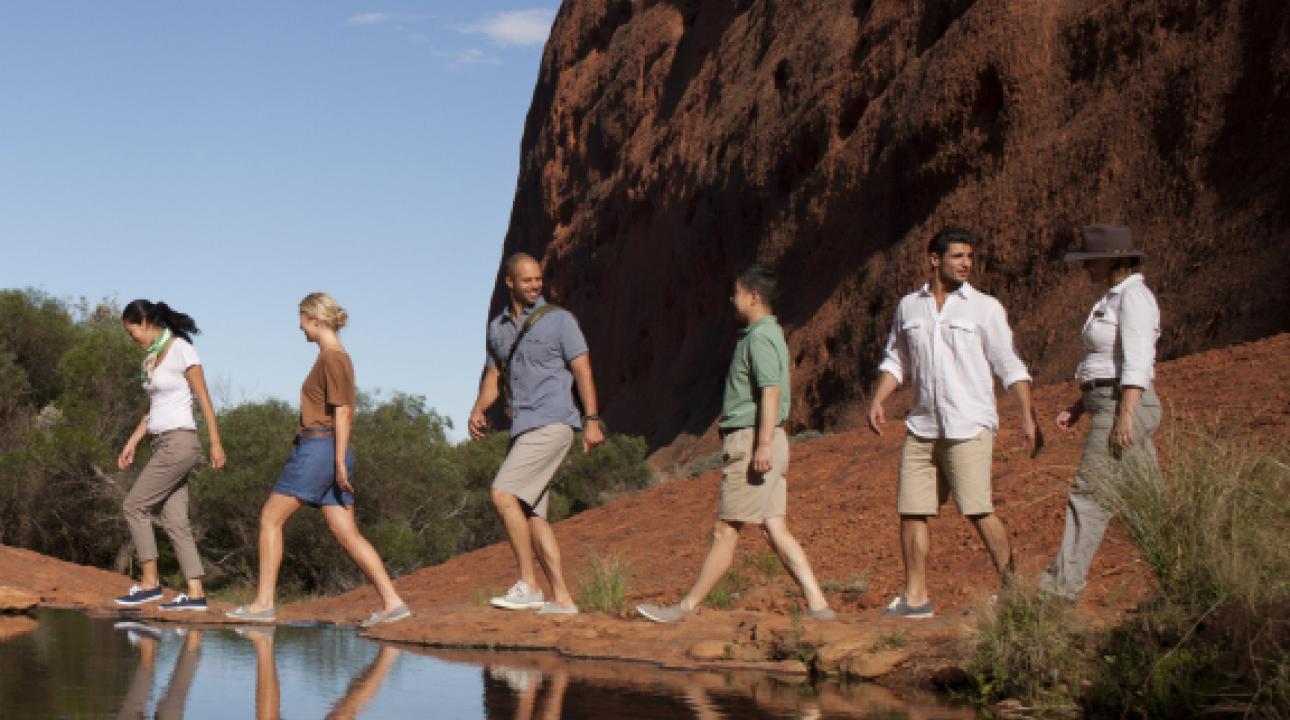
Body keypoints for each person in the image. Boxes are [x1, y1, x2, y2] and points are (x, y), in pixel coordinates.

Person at [636, 265, 835, 623]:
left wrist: (761, 445)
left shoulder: (760, 337)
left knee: (726, 530)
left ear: (753, 297)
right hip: (765, 438)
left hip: (752, 440)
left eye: (737, 293)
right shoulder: (766, 334)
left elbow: (770, 391)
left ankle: (685, 608)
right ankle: (818, 605)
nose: (733, 299)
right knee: (775, 527)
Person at [867, 228, 1039, 618]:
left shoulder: (985, 308)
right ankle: (915, 599)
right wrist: (879, 398)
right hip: (922, 426)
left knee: (978, 508)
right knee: (912, 511)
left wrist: (1027, 415)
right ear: (934, 260)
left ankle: (1014, 593)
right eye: (958, 256)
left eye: (969, 257)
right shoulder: (909, 307)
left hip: (969, 424)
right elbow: (897, 361)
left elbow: (1009, 364)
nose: (966, 264)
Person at [226, 293, 409, 627]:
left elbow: (344, 411)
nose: (299, 327)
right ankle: (393, 602)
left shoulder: (333, 358)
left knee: (270, 518)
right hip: (328, 451)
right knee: (347, 533)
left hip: (320, 450)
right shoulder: (332, 357)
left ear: (315, 318)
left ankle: (264, 603)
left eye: (301, 319)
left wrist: (338, 461)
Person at [468, 253, 604, 615]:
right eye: (527, 280)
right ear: (510, 283)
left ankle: (529, 585)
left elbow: (583, 370)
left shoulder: (560, 321)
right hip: (523, 427)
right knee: (534, 515)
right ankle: (562, 599)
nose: (535, 285)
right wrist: (478, 408)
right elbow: (494, 376)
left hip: (554, 421)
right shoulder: (497, 328)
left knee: (502, 493)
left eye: (538, 279)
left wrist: (592, 419)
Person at [1040, 225, 1162, 601]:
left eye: (1090, 260)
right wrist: (1079, 406)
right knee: (1149, 502)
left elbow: (1138, 360)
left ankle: (1058, 591)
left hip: (1123, 406)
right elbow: (1106, 360)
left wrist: (1125, 414)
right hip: (1109, 403)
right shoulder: (1114, 298)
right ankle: (1191, 576)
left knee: (1089, 494)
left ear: (1112, 260)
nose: (1085, 267)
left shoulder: (1134, 297)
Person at [115, 300, 226, 611]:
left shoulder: (181, 349)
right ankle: (195, 594)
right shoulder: (150, 359)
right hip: (161, 443)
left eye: (131, 330)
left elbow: (204, 397)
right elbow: (153, 411)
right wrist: (132, 442)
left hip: (180, 443)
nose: (131, 337)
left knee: (134, 506)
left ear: (146, 323)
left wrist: (216, 442)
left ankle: (150, 584)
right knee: (175, 520)